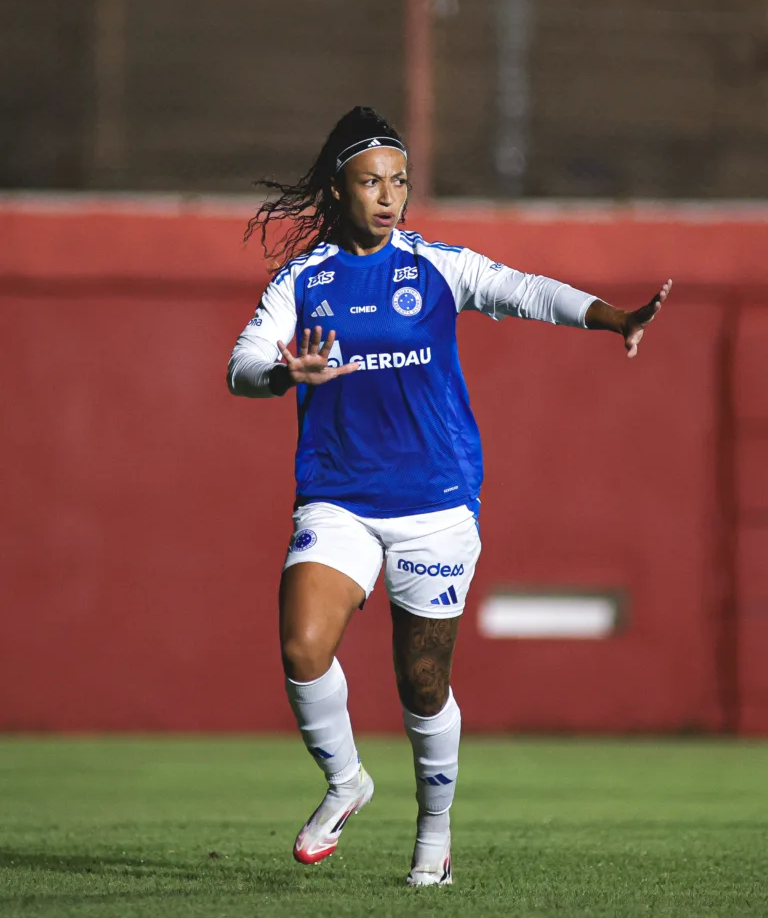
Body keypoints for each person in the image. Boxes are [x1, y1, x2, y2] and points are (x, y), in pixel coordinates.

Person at [227, 106, 671, 886]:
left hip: (436, 505)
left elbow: (526, 290)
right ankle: (347, 782)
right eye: (372, 182)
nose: (389, 195)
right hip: (338, 500)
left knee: (422, 685)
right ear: (337, 191)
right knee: (302, 645)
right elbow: (241, 366)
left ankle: (435, 833)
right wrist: (282, 373)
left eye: (399, 181)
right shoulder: (302, 281)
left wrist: (613, 318)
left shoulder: (435, 266)